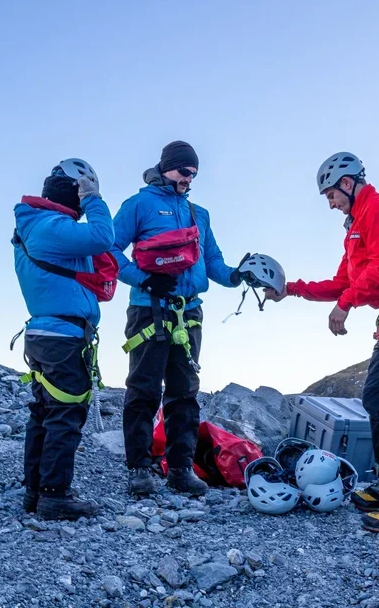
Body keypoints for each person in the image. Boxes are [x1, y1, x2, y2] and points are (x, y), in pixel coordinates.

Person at [265, 152, 379, 534]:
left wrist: (344, 306)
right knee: (376, 397)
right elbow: (343, 280)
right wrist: (291, 290)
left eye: (331, 195)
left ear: (347, 184)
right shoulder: (356, 225)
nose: (330, 203)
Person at [110, 140, 248, 496]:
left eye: (194, 174)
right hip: (148, 307)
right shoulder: (139, 204)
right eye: (185, 171)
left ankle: (181, 470)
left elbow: (213, 261)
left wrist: (237, 276)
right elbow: (108, 249)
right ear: (166, 167)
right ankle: (138, 470)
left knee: (184, 392)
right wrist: (143, 279)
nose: (189, 179)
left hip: (190, 312)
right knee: (143, 389)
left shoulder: (199, 213)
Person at [12, 158, 115, 520]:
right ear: (75, 191)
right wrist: (94, 200)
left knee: (44, 412)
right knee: (65, 414)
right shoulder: (52, 226)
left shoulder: (36, 227)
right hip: (63, 336)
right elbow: (104, 236)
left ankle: (36, 493)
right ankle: (55, 495)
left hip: (45, 333)